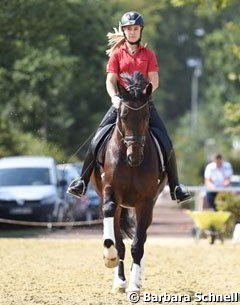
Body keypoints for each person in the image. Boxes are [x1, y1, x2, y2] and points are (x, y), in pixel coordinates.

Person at [67, 11, 191, 204]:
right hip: (121, 103)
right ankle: (82, 182)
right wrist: (114, 98)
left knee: (166, 141)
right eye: (128, 29)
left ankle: (175, 186)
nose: (132, 32)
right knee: (97, 139)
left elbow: (154, 79)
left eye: (135, 29)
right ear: (124, 31)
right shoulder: (117, 55)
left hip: (144, 103)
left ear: (140, 31)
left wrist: (146, 92)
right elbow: (110, 80)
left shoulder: (149, 54)